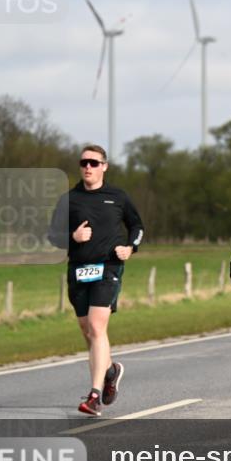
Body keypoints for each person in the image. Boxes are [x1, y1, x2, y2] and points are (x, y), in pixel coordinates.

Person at [48, 145, 144, 416]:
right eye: (83, 162)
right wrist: (72, 238)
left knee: (96, 326)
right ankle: (111, 370)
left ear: (104, 166)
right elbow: (52, 236)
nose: (88, 167)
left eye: (93, 162)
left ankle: (94, 396)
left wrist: (130, 248)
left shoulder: (118, 197)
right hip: (78, 270)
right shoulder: (69, 199)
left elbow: (137, 226)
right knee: (88, 332)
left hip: (108, 268)